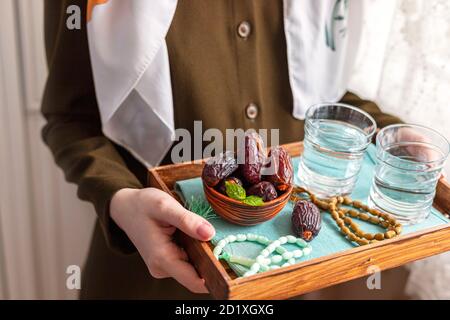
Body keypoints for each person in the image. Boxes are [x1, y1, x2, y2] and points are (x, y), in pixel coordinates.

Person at [42, 0, 403, 299]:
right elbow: (71, 116)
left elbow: (320, 94)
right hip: (156, 278)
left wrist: (395, 135)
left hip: (293, 268)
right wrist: (119, 199)